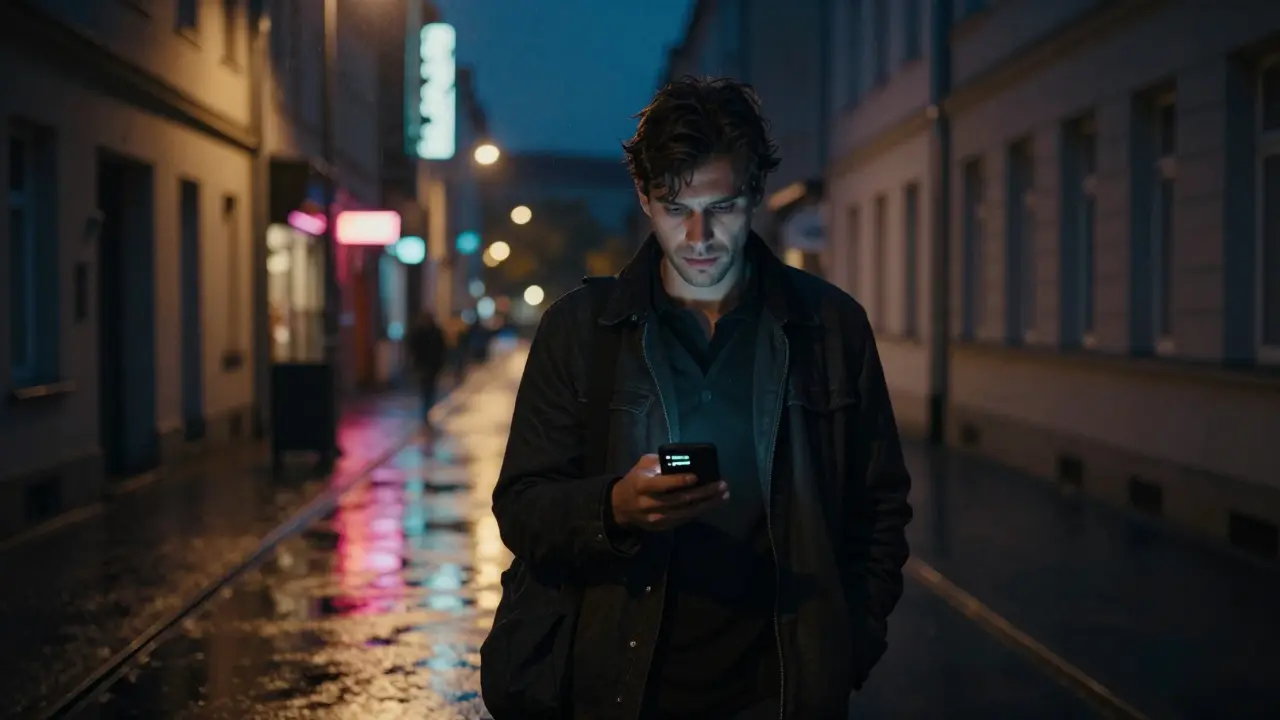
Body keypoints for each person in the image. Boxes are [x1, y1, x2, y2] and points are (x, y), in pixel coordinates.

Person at [487, 76, 912, 720]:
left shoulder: (828, 326)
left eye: (723, 208)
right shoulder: (582, 330)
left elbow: (878, 509)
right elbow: (521, 507)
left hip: (777, 695)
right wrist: (616, 508)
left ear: (757, 192)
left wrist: (847, 645)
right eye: (676, 209)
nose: (699, 237)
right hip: (620, 691)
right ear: (644, 198)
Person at [406, 311, 446, 425]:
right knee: (428, 390)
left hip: (428, 366)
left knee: (427, 390)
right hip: (427, 366)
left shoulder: (428, 332)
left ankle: (426, 412)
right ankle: (426, 412)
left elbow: (441, 349)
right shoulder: (431, 332)